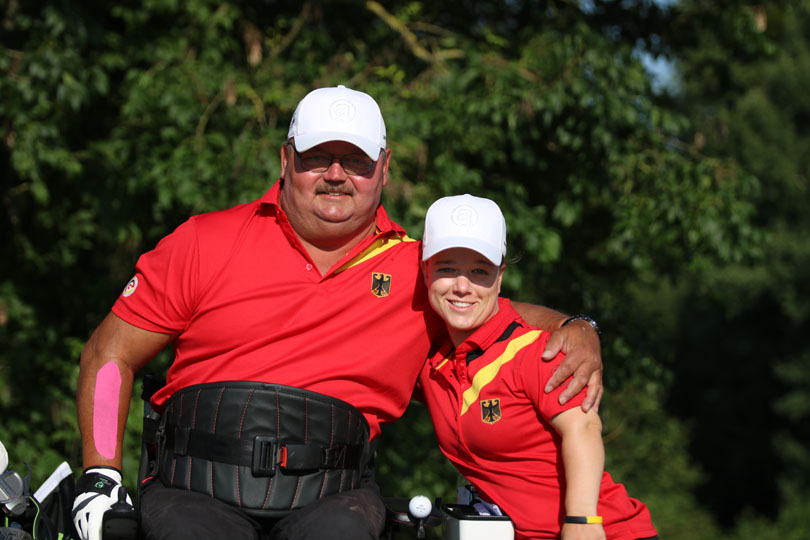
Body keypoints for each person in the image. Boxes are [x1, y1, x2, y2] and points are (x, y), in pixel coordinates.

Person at [71, 86, 604, 540]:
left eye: (355, 160)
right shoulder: (204, 241)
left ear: (384, 167)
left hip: (334, 497)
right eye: (315, 157)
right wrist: (99, 477)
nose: (335, 175)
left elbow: (494, 311)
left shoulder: (421, 272)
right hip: (193, 484)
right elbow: (109, 353)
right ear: (285, 159)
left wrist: (575, 327)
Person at [417, 194, 657, 540]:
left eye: (479, 271)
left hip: (604, 532)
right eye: (447, 268)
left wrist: (582, 522)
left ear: (500, 278)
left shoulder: (532, 350)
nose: (462, 286)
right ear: (426, 272)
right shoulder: (433, 362)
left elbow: (584, 428)